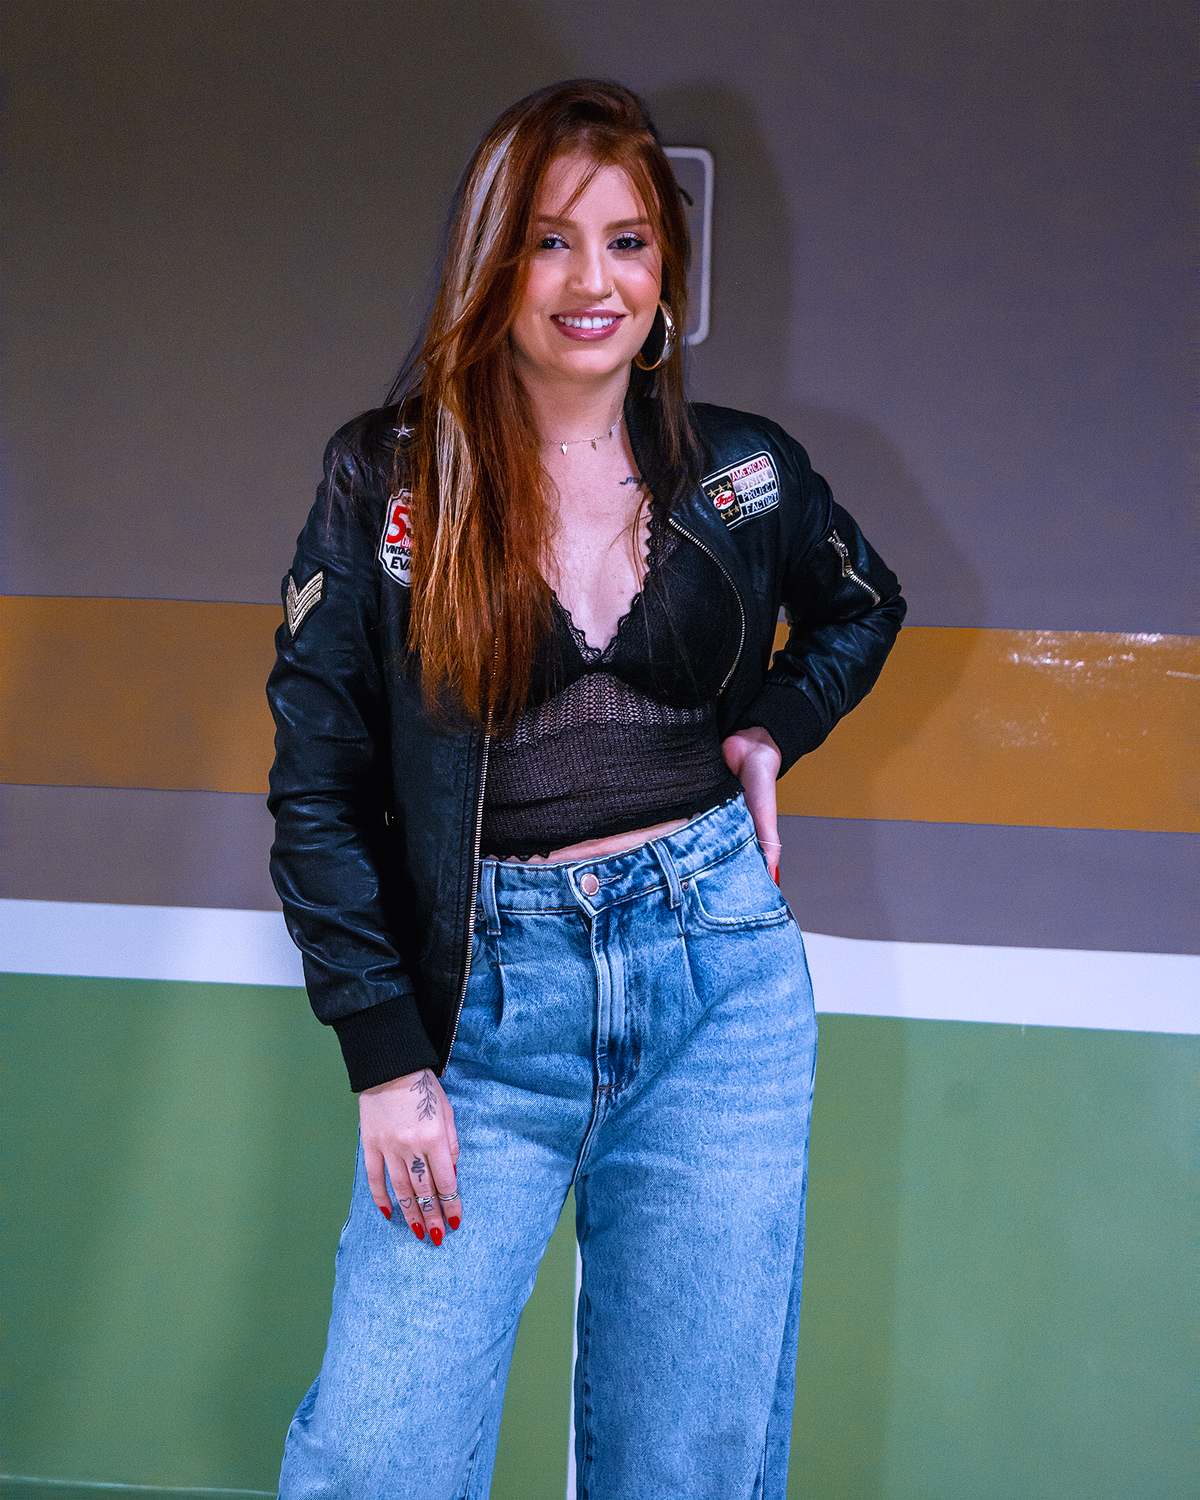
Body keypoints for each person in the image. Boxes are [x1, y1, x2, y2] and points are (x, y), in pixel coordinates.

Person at [267, 79, 904, 1499]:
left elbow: (862, 606)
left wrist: (772, 733)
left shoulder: (742, 469)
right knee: (376, 1458)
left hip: (719, 992)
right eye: (550, 241)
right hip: (480, 1020)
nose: (591, 282)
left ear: (666, 270)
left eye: (627, 242)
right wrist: (385, 1057)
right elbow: (316, 781)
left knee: (687, 1465)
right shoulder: (388, 480)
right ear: (493, 264)